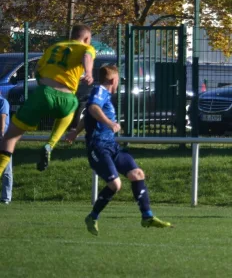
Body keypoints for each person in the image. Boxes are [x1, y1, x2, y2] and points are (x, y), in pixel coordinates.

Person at [66, 65, 172, 235]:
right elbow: (92, 108)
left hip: (111, 146)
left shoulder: (103, 95)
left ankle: (147, 216)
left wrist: (74, 131)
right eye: (118, 82)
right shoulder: (100, 90)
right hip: (98, 147)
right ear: (113, 80)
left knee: (137, 174)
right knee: (115, 184)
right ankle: (92, 216)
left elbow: (88, 115)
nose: (118, 86)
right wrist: (110, 123)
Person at [0, 24, 95, 176]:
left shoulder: (54, 47)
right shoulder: (86, 47)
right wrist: (89, 72)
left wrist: (42, 81)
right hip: (68, 97)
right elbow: (87, 56)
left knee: (10, 138)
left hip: (44, 93)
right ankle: (50, 145)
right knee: (69, 110)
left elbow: (37, 69)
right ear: (86, 38)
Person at [0, 93, 11, 204]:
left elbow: (3, 117)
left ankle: (6, 198)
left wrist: (1, 133)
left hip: (4, 138)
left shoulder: (3, 102)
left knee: (6, 169)